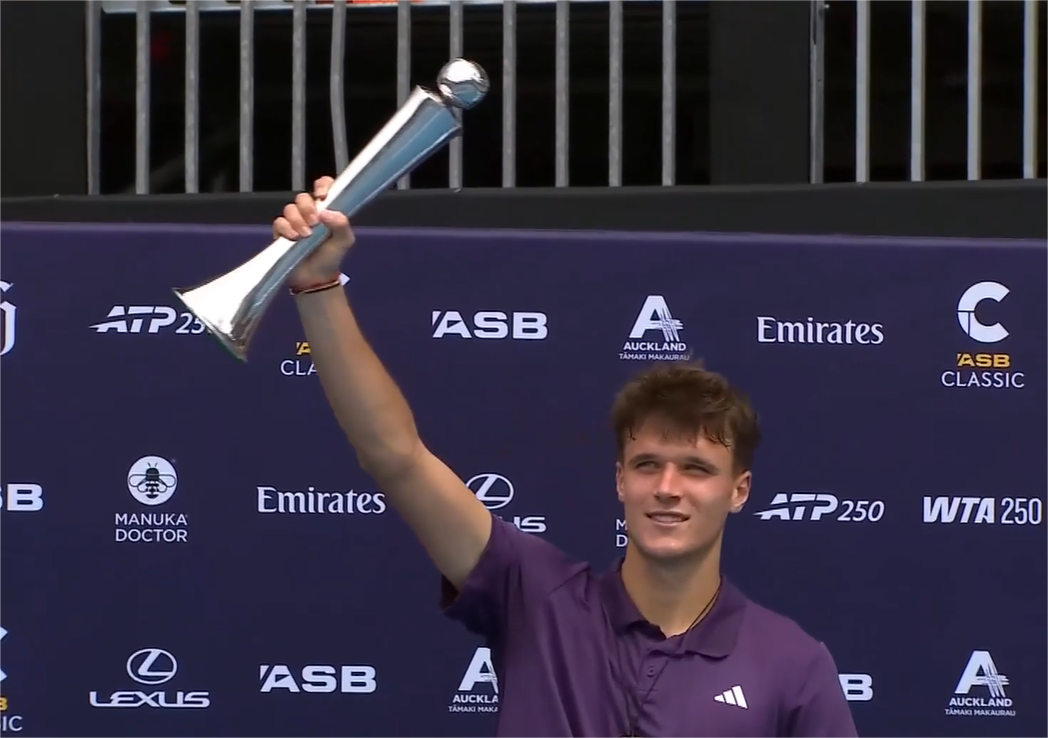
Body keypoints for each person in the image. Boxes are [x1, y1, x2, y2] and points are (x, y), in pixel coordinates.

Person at [273, 177, 862, 738]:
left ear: (740, 490)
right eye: (647, 464)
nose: (667, 486)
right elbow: (394, 456)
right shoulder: (536, 597)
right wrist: (318, 285)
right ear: (620, 480)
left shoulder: (792, 664)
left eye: (698, 469)